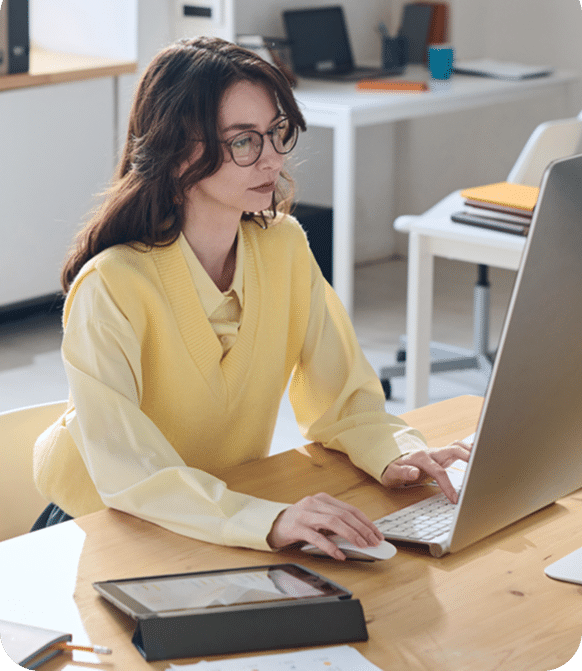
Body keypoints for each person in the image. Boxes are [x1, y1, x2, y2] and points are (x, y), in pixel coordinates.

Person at [32, 37, 470, 560]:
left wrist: (401, 450)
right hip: (99, 525)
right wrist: (270, 520)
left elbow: (343, 400)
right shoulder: (111, 286)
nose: (271, 159)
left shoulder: (284, 246)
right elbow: (130, 474)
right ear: (177, 154)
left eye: (276, 133)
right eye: (243, 141)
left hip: (216, 514)